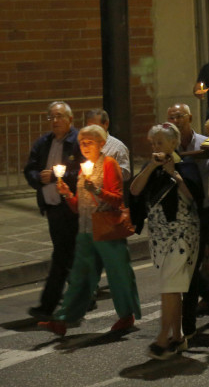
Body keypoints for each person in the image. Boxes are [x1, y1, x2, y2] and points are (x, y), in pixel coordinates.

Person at [39, 125, 141, 337]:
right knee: (80, 276)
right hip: (86, 230)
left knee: (118, 274)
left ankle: (126, 315)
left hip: (106, 228)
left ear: (101, 144)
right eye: (82, 143)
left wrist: (97, 190)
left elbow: (117, 199)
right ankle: (63, 319)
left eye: (89, 142)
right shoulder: (84, 167)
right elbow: (78, 206)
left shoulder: (109, 164)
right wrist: (67, 194)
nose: (84, 146)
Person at [129, 123, 203, 359]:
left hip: (182, 234)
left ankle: (163, 337)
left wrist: (175, 176)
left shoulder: (186, 165)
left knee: (169, 287)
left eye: (160, 143)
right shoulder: (150, 167)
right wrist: (151, 166)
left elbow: (195, 198)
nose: (156, 147)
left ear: (173, 143)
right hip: (159, 236)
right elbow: (134, 190)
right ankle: (178, 336)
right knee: (172, 288)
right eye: (153, 143)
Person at [165, 103, 209, 337]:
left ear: (190, 118)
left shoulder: (204, 143)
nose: (176, 120)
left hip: (202, 210)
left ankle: (187, 326)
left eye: (180, 116)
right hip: (177, 214)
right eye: (172, 117)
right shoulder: (167, 144)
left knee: (191, 266)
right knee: (182, 267)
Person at [23, 101, 83, 319]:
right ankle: (83, 296)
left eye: (59, 116)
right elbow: (29, 168)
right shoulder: (43, 143)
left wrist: (60, 176)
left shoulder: (78, 141)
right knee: (68, 256)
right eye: (51, 117)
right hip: (52, 208)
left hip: (72, 206)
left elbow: (86, 171)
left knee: (62, 257)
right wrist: (39, 178)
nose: (55, 121)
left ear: (70, 119)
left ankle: (48, 306)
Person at [85, 109, 131, 181]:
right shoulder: (85, 145)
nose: (91, 130)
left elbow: (125, 175)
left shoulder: (118, 147)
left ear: (106, 124)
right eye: (89, 127)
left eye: (95, 127)